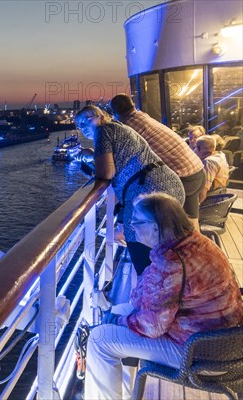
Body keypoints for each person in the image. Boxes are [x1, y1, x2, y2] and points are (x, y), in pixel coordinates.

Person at [84, 193, 243, 400]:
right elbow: (148, 303)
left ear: (155, 228)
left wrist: (119, 321)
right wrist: (122, 316)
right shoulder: (197, 243)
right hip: (228, 342)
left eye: (136, 223)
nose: (131, 228)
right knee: (119, 311)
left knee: (99, 340)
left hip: (200, 353)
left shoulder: (171, 262)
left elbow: (152, 327)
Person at [75, 106, 185, 274]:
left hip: (147, 193)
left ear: (101, 117)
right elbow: (120, 159)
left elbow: (106, 173)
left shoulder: (102, 131)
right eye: (79, 125)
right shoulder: (118, 127)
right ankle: (169, 290)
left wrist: (90, 162)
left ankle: (151, 295)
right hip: (166, 186)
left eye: (86, 120)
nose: (83, 127)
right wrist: (93, 155)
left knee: (143, 254)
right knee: (166, 249)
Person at [110, 94, 205, 230]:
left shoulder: (127, 129)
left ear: (115, 114)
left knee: (140, 197)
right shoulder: (143, 117)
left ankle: (123, 232)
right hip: (197, 171)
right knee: (191, 226)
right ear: (133, 106)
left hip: (182, 178)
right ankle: (197, 249)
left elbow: (116, 161)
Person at [195, 135, 230, 203]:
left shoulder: (209, 162)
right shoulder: (221, 155)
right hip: (218, 197)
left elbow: (203, 193)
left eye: (195, 147)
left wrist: (195, 209)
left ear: (199, 148)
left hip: (209, 201)